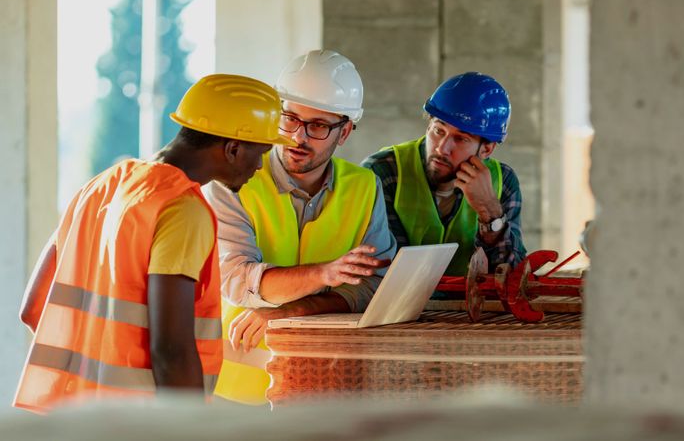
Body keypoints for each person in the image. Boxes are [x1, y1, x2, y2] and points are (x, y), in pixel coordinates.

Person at [14, 74, 291, 414]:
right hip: (136, 423)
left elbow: (33, 309)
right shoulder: (182, 209)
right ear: (233, 148)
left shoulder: (99, 188)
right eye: (261, 152)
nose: (260, 166)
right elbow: (171, 350)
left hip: (73, 417)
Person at [205, 50, 396, 405]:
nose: (298, 136)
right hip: (234, 388)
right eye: (289, 118)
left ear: (346, 131)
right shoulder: (233, 181)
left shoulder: (364, 187)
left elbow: (374, 289)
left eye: (319, 125)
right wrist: (325, 275)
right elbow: (236, 281)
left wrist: (293, 311)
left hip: (326, 387)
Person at [362, 72, 526, 280]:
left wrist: (491, 213)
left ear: (486, 150)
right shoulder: (383, 172)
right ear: (429, 125)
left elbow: (513, 278)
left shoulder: (503, 182)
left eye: (460, 139)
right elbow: (386, 271)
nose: (442, 148)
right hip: (398, 309)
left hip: (471, 311)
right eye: (438, 131)